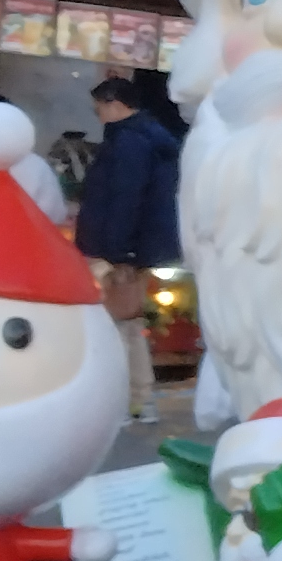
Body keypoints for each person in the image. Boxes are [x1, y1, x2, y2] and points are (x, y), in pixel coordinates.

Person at [68, 70, 186, 426]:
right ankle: (140, 400)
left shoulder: (128, 142)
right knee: (130, 326)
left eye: (98, 109)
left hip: (117, 251)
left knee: (115, 328)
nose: (98, 117)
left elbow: (124, 200)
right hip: (135, 249)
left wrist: (121, 255)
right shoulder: (151, 138)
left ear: (114, 104)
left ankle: (122, 401)